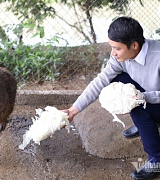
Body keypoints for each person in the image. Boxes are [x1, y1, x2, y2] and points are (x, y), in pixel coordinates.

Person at [64, 16, 160, 180]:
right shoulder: (120, 57)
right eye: (111, 47)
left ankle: (156, 160)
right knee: (114, 82)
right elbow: (101, 81)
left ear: (134, 45)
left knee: (138, 109)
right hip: (148, 94)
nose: (113, 53)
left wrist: (139, 97)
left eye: (117, 48)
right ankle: (146, 125)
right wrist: (74, 110)